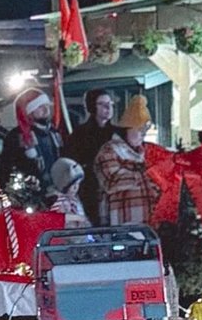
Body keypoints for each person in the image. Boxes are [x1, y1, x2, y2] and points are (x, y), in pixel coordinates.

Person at [92, 95, 157, 226]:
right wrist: (151, 174)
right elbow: (112, 181)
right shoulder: (109, 151)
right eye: (140, 129)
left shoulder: (146, 152)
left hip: (149, 224)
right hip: (122, 223)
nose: (143, 134)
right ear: (126, 129)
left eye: (145, 130)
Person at [65, 90, 117, 174]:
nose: (108, 107)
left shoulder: (118, 133)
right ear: (92, 107)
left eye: (110, 103)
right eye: (101, 104)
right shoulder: (79, 135)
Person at [44, 154, 90, 229]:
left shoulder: (74, 199)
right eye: (72, 185)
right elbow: (56, 218)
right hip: (66, 237)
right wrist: (76, 218)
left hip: (81, 236)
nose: (76, 187)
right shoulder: (56, 200)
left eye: (78, 184)